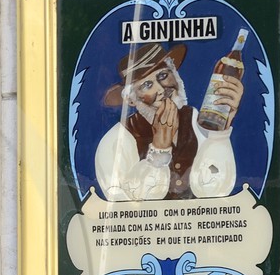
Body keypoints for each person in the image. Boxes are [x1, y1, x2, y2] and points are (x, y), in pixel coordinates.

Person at [95, 41, 243, 201]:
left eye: (163, 75)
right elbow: (124, 207)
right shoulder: (116, 141)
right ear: (132, 100)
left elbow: (217, 190)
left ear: (175, 75)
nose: (161, 89)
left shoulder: (194, 118)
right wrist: (159, 150)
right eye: (147, 85)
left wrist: (219, 130)